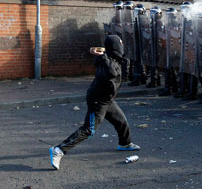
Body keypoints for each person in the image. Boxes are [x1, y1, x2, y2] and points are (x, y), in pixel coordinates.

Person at [49, 35, 140, 170]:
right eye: (119, 44)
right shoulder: (106, 62)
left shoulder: (110, 59)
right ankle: (59, 149)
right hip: (98, 101)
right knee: (89, 129)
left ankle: (125, 144)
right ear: (114, 47)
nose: (121, 46)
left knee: (121, 121)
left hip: (107, 99)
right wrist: (103, 56)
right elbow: (111, 73)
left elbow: (115, 64)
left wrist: (103, 55)